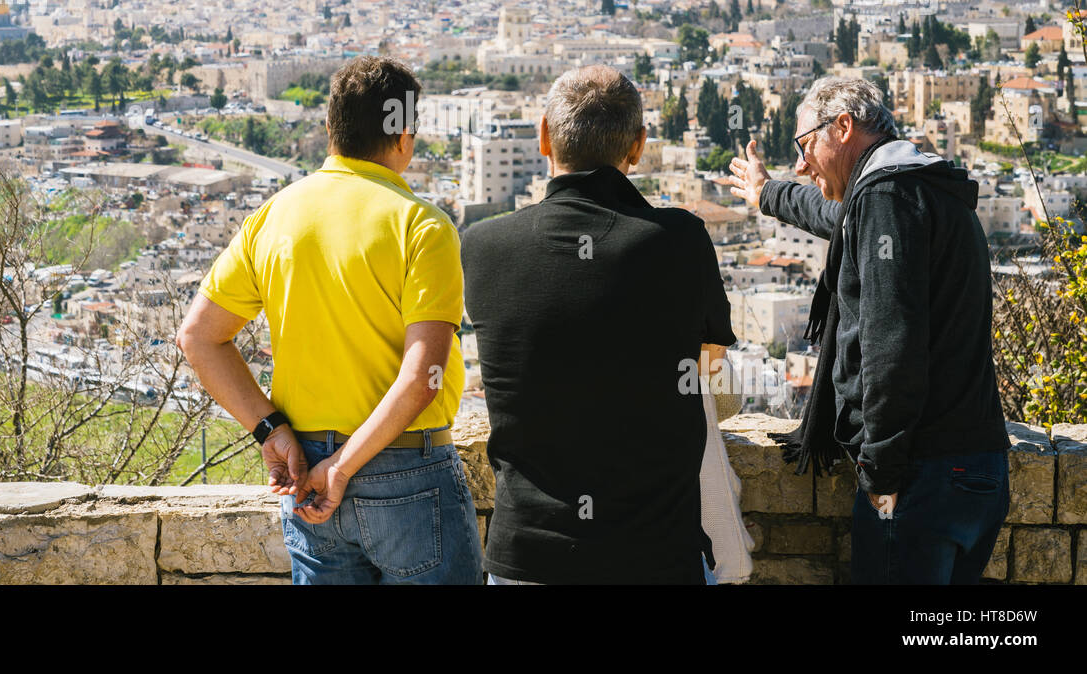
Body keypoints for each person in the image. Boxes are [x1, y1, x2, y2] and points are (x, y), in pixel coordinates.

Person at [175, 55, 482, 585]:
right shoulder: (422, 225)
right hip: (405, 470)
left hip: (304, 472)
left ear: (330, 130)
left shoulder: (272, 218)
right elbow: (420, 380)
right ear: (405, 135)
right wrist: (342, 469)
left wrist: (271, 431)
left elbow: (198, 338)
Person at [728, 75, 1009, 584]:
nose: (800, 163)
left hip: (922, 476)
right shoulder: (919, 187)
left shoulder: (887, 199)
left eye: (805, 144)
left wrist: (880, 474)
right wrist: (768, 192)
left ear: (842, 126)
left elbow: (890, 347)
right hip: (978, 467)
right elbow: (836, 215)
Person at [461, 65, 736, 584]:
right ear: (638, 146)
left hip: (527, 556)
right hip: (655, 553)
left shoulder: (482, 245)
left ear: (543, 136)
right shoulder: (679, 241)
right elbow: (709, 365)